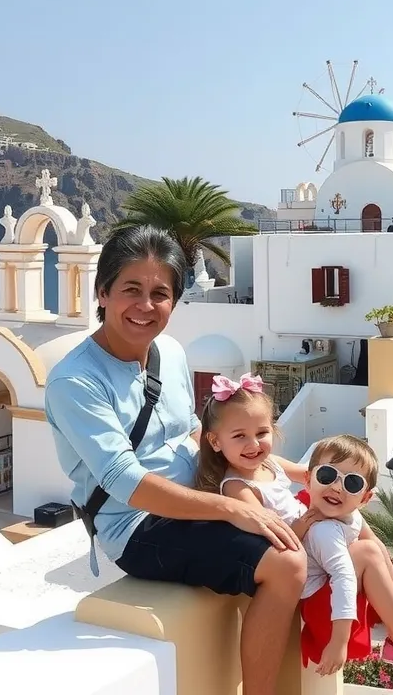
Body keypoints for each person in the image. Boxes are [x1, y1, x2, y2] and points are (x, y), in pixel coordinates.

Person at [44, 224, 307, 695]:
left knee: (322, 518)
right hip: (138, 527)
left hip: (199, 500)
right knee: (286, 564)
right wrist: (232, 509)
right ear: (102, 292)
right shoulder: (76, 381)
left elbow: (194, 432)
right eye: (131, 290)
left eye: (160, 293)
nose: (146, 306)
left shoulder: (168, 352)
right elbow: (127, 481)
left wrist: (285, 471)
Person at [193, 377, 393, 677]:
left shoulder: (268, 464)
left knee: (361, 527)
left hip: (319, 549)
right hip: (310, 581)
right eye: (240, 436)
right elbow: (267, 545)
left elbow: (316, 474)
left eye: (261, 432)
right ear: (216, 441)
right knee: (368, 553)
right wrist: (304, 522)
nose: (254, 444)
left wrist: (343, 470)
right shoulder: (237, 487)